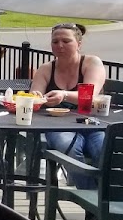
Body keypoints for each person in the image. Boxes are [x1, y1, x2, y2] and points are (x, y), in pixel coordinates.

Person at [31, 23, 107, 189]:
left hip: (92, 123)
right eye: (55, 41)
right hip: (57, 125)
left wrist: (63, 94)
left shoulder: (91, 63)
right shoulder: (46, 69)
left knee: (103, 149)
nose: (60, 45)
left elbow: (89, 96)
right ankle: (92, 199)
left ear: (79, 44)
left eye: (66, 41)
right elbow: (34, 96)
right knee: (68, 146)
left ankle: (101, 200)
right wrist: (37, 97)